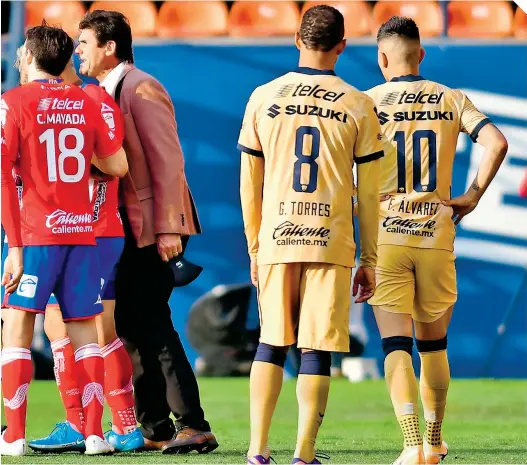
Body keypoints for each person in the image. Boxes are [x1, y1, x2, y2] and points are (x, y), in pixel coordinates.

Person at [238, 6, 385, 464]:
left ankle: (258, 450)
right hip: (331, 237)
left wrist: (255, 247)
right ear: (342, 46)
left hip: (279, 235)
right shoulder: (359, 103)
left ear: (296, 40)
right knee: (317, 348)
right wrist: (371, 259)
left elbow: (249, 182)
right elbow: (370, 194)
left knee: (271, 341)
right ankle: (304, 453)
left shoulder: (264, 96)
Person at [366, 17, 508, 465]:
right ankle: (434, 440)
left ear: (382, 58)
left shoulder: (367, 103)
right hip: (436, 232)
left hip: (387, 235)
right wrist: (472, 196)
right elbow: (497, 143)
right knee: (433, 346)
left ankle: (410, 443)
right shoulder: (451, 97)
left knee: (395, 346)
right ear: (422, 54)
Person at [75, 10, 217, 453]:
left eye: (84, 43)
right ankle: (155, 428)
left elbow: (168, 161)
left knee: (153, 326)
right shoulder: (110, 90)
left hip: (152, 228)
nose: (78, 51)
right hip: (130, 229)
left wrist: (169, 228)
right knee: (134, 329)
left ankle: (193, 424)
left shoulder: (141, 86)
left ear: (109, 47)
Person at [0, 25, 128, 456]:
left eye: (21, 53)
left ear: (32, 56)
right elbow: (114, 164)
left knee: (16, 328)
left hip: (36, 236)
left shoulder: (13, 102)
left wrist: (13, 247)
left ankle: (13, 437)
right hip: (82, 236)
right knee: (84, 335)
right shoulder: (88, 102)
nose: (17, 59)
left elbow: (3, 177)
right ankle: (94, 434)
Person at [28, 58, 144, 453]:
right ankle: (105, 424)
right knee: (81, 329)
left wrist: (71, 146)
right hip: (74, 230)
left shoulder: (91, 99)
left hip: (90, 231)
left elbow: (115, 165)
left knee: (81, 330)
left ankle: (91, 424)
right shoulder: (61, 102)